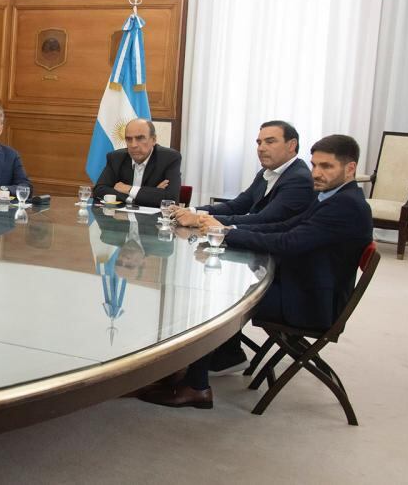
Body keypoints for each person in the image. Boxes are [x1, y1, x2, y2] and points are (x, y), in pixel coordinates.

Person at [139, 134, 373, 409]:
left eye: (326, 167)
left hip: (311, 303)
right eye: (314, 165)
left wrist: (224, 233)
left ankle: (197, 386)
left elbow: (288, 242)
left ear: (350, 168)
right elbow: (285, 226)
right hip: (305, 284)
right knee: (218, 286)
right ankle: (189, 367)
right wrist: (226, 230)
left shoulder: (345, 205)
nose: (317, 173)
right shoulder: (331, 195)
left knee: (212, 301)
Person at [174, 120, 313, 228]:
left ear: (291, 145)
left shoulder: (299, 179)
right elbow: (236, 206)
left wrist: (199, 219)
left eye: (270, 142)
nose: (261, 148)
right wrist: (190, 211)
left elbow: (264, 219)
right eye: (259, 143)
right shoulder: (266, 172)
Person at [92, 118, 181, 208]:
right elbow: (99, 190)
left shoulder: (169, 158)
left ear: (153, 140)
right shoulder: (116, 158)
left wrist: (129, 189)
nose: (133, 145)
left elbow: (171, 199)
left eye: (140, 138)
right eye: (129, 139)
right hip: (121, 219)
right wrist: (149, 194)